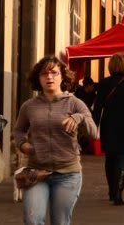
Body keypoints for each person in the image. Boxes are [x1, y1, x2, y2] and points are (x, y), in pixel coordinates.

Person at [13, 55, 98, 225]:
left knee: (60, 222)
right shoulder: (29, 106)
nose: (49, 77)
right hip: (37, 172)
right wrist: (23, 145)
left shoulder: (75, 103)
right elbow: (18, 130)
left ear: (62, 76)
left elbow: (94, 132)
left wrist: (79, 118)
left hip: (68, 174)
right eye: (44, 74)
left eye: (54, 73)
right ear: (38, 78)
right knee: (32, 219)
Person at [92, 53, 124, 206]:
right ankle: (118, 194)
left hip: (109, 124)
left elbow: (98, 106)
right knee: (122, 158)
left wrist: (94, 124)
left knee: (110, 157)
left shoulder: (103, 83)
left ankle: (111, 190)